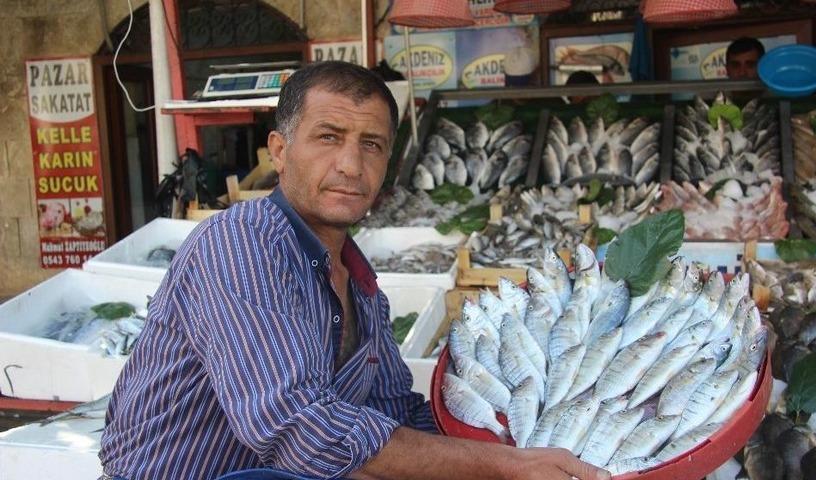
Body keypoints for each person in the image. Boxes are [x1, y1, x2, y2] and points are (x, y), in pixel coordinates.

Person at [98, 61, 609, 480]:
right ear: (279, 150)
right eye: (328, 136)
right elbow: (297, 428)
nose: (350, 164)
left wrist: (527, 430)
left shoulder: (361, 286)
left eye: (371, 144)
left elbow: (391, 411)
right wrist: (504, 466)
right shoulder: (242, 244)